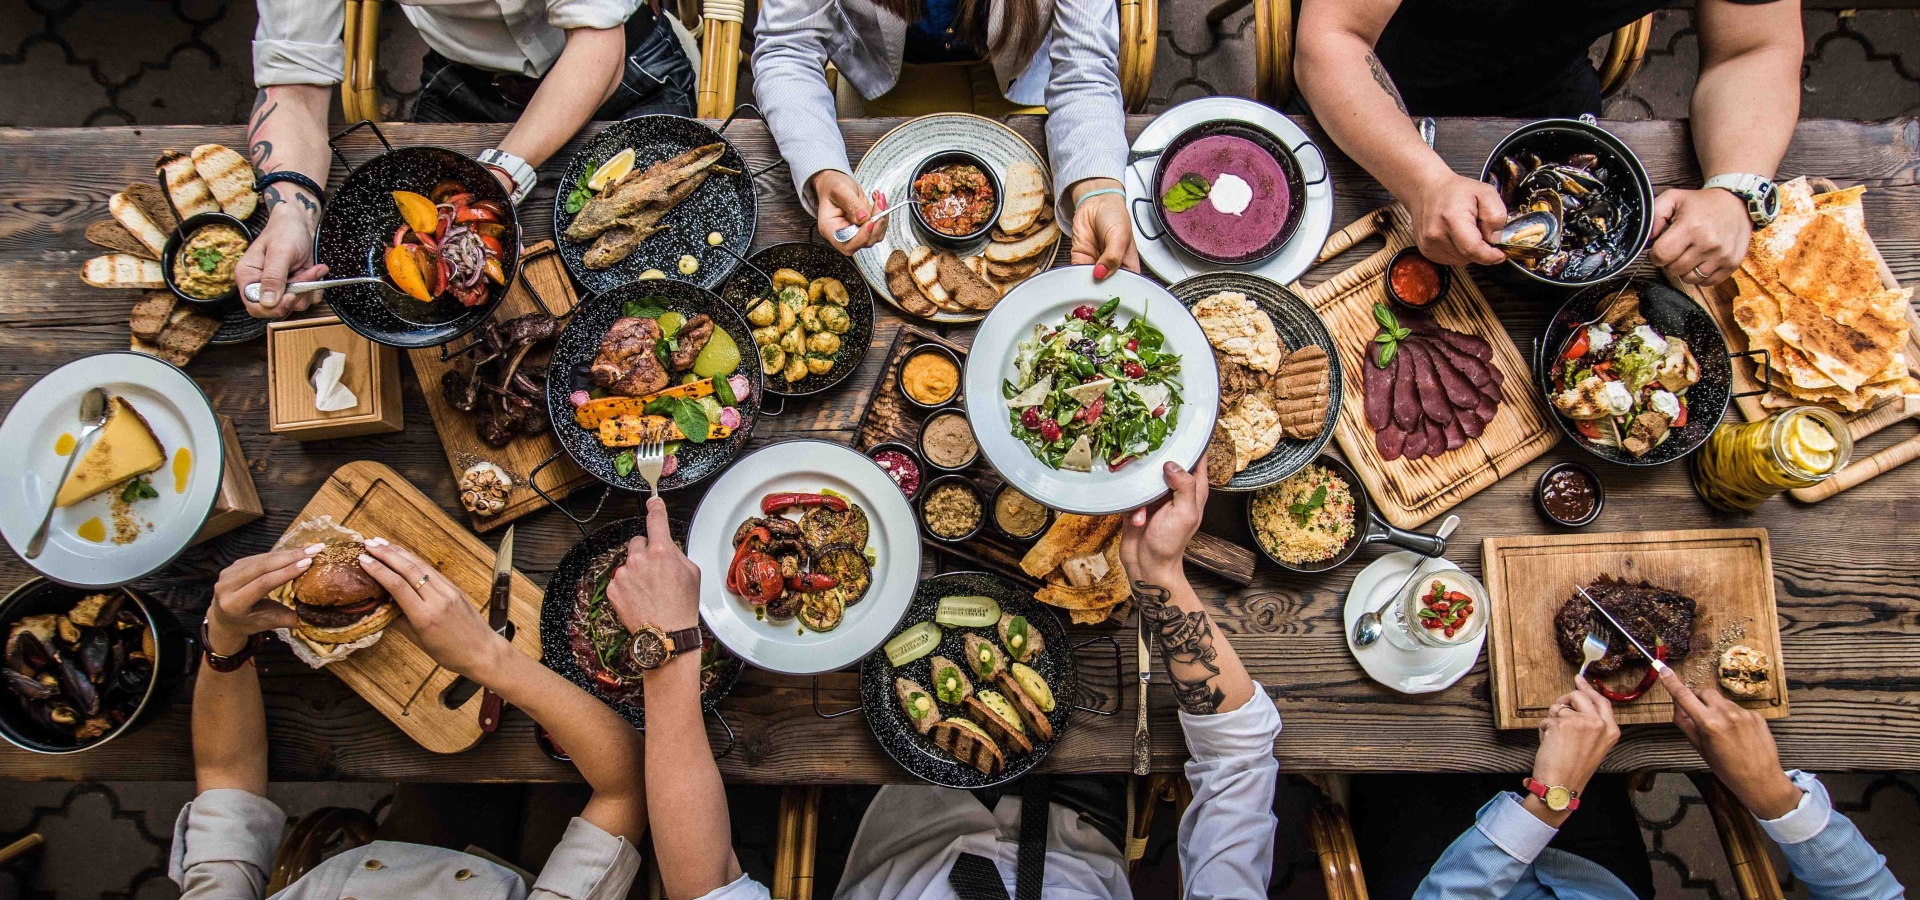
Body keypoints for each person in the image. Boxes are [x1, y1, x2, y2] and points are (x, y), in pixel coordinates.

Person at [602, 463, 1281, 899]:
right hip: (1084, 816)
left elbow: (705, 884)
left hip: (903, 810)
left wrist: (666, 650)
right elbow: (1240, 758)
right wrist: (1161, 576)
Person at [169, 539, 649, 899]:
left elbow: (225, 774)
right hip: (544, 872)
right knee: (555, 785)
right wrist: (486, 657)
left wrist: (225, 641)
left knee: (450, 782)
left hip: (393, 854)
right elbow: (624, 784)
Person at [238, 0, 699, 318]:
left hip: (619, 64)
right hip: (469, 81)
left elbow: (599, 47)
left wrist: (499, 175)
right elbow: (291, 89)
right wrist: (290, 214)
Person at [1294, 0, 1802, 287]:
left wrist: (1736, 187)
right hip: (1376, 80)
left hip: (1547, 87)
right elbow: (1334, 40)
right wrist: (1424, 181)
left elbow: (1753, 48)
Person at [1352, 666, 1904, 900]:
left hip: (1442, 879)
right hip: (1595, 881)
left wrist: (1547, 804)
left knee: (1392, 744)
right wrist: (1772, 795)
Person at [749, 0, 1139, 279]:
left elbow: (1083, 72)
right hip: (886, 77)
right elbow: (787, 48)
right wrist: (824, 169)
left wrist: (1096, 190)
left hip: (1022, 77)